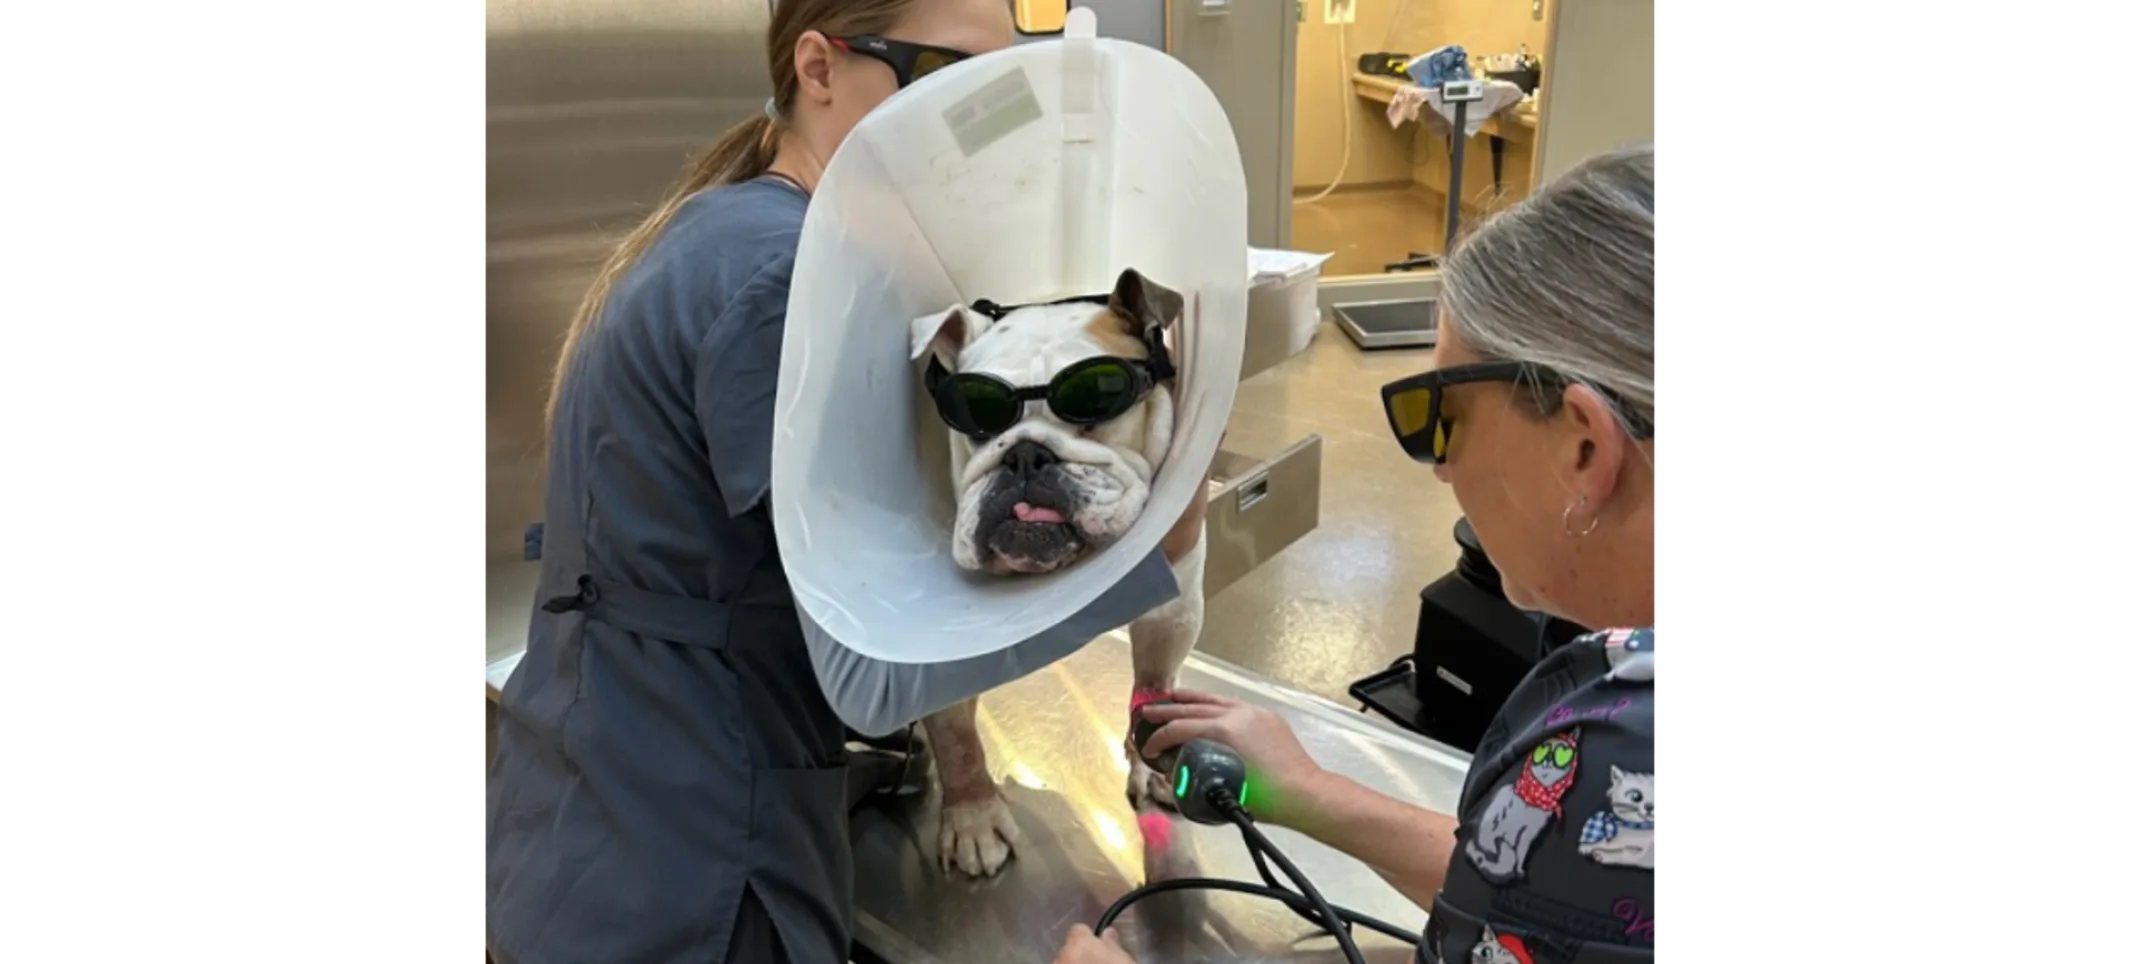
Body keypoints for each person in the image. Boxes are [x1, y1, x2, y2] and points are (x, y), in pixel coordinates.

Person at [480, 2, 1185, 962]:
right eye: (943, 74)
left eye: (996, 91)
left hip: (590, 809)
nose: (977, 121)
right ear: (818, 67)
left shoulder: (739, 230)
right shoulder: (778, 282)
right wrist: (1156, 546)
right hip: (690, 865)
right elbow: (868, 672)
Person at [1055, 144, 1657, 964]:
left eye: (1440, 414)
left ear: (1584, 446)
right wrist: (1312, 793)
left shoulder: (1625, 758)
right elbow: (1542, 887)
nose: (1439, 466)